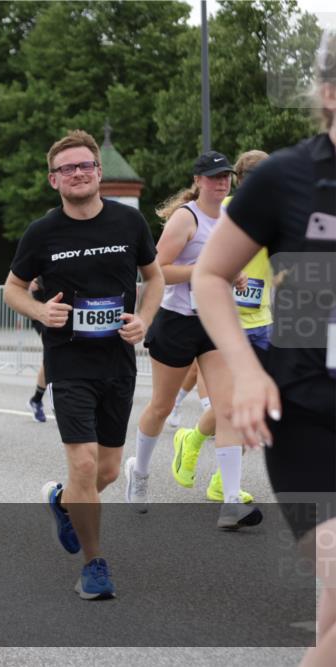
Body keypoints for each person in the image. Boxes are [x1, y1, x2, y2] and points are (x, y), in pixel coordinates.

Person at [192, 31, 336, 665]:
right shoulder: (286, 177)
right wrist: (248, 371)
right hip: (309, 417)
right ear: (329, 93)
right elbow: (210, 275)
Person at [3, 130, 163, 599]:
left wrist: (145, 320)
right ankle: (94, 565)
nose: (78, 173)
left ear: (98, 172)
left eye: (85, 165)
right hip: (69, 361)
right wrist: (40, 312)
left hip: (118, 360)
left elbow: (154, 278)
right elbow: (12, 289)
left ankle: (63, 501)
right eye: (67, 168)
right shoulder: (42, 233)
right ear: (54, 179)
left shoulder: (128, 223)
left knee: (106, 471)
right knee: (85, 461)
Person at [126, 151, 261, 529]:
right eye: (214, 177)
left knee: (228, 408)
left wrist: (235, 274)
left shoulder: (233, 218)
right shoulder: (187, 218)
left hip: (215, 322)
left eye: (226, 176)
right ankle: (139, 472)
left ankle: (231, 501)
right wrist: (203, 270)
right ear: (198, 181)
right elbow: (158, 271)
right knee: (161, 406)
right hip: (177, 321)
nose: (222, 182)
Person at [171, 150, 271, 501]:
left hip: (263, 320)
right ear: (241, 181)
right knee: (236, 403)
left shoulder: (280, 213)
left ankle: (203, 453)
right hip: (225, 320)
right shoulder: (223, 211)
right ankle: (207, 459)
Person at [27, 276, 49, 423]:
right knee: (52, 355)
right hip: (41, 312)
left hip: (64, 310)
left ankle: (36, 399)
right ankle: (37, 400)